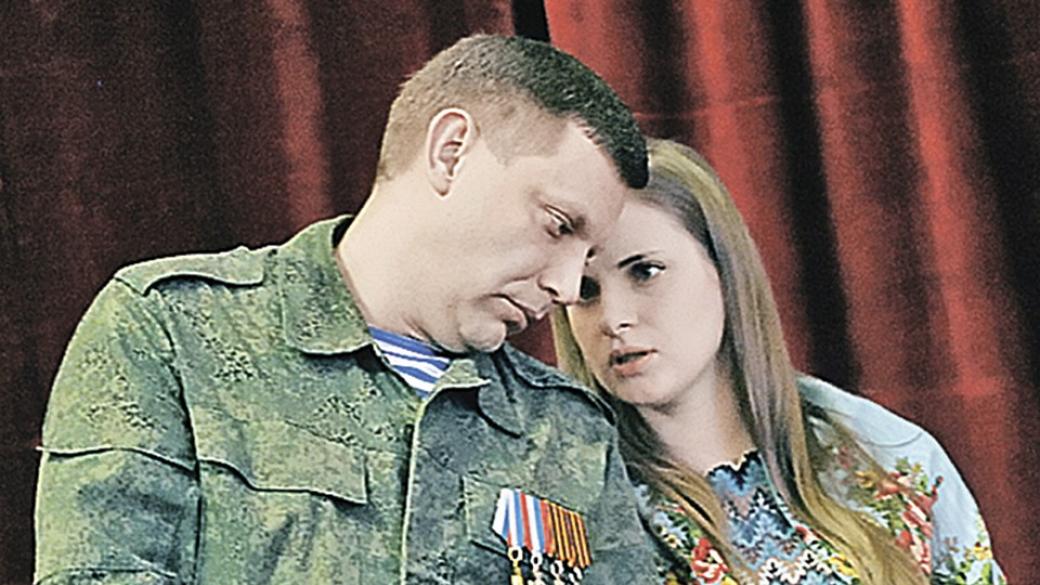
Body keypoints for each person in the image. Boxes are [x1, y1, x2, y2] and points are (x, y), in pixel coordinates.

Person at [34, 35, 659, 585]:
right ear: (451, 152)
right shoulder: (172, 332)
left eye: (586, 256)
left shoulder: (567, 429)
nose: (567, 287)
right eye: (557, 225)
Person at [552, 138, 1006, 585]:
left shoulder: (888, 455)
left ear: (724, 271)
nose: (614, 318)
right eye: (585, 290)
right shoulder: (563, 501)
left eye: (645, 271)